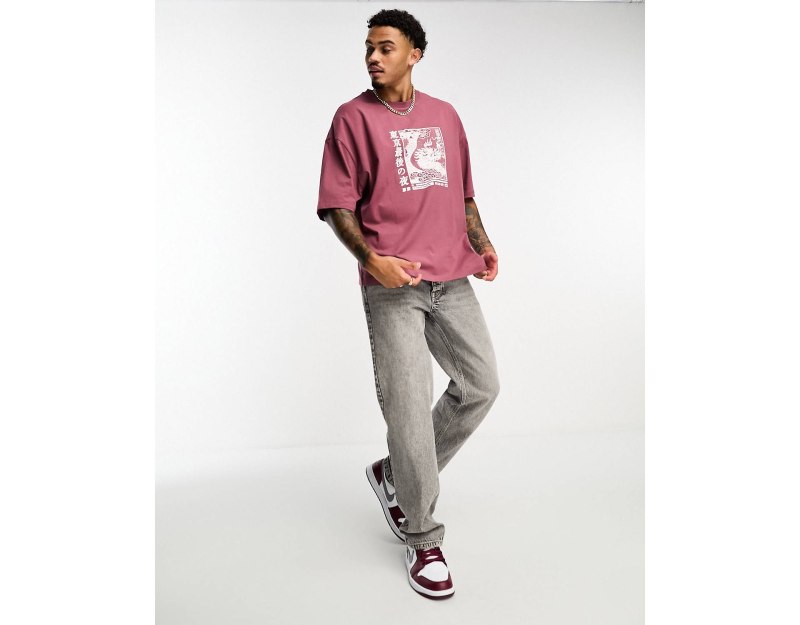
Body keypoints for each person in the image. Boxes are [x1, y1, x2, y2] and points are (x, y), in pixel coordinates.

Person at [316, 8, 500, 600]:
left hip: (451, 278)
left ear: (415, 53)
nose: (373, 56)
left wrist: (481, 242)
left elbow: (463, 194)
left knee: (481, 386)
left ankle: (395, 473)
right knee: (408, 410)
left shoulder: (445, 115)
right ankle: (422, 536)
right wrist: (373, 262)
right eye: (368, 47)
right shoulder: (352, 118)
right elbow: (337, 205)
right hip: (393, 286)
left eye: (386, 47)